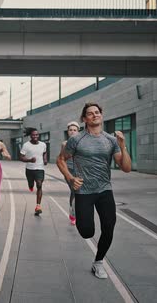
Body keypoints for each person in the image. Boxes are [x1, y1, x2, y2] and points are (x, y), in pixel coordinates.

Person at [56, 103, 131, 279]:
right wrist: (70, 177)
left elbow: (126, 168)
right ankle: (76, 207)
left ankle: (98, 262)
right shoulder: (77, 140)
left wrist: (122, 145)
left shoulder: (111, 140)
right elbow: (60, 160)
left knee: (109, 227)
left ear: (101, 115)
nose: (94, 115)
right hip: (83, 191)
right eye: (90, 113)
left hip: (105, 189)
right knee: (87, 232)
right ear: (84, 119)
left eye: (97, 112)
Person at [19, 127, 47, 216]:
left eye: (36, 135)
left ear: (38, 135)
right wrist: (29, 160)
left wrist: (45, 159)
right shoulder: (26, 145)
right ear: (30, 136)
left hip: (40, 168)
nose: (35, 136)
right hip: (29, 169)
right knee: (31, 184)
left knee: (39, 185)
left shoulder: (43, 144)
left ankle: (38, 206)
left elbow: (44, 152)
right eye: (33, 135)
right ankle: (30, 185)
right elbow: (21, 157)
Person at [60, 121, 81, 226]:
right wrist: (66, 173)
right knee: (75, 191)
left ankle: (75, 210)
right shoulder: (64, 144)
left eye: (75, 130)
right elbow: (61, 159)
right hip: (69, 171)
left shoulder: (82, 143)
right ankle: (73, 212)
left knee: (78, 192)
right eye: (70, 130)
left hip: (80, 171)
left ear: (78, 132)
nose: (72, 132)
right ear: (67, 132)